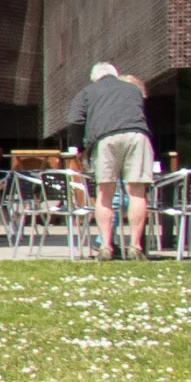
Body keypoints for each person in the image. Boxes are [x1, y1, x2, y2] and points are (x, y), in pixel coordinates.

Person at [65, 60, 155, 258]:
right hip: (137, 135)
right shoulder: (133, 89)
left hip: (105, 138)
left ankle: (105, 246)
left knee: (105, 193)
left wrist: (79, 146)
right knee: (137, 193)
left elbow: (75, 120)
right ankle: (135, 247)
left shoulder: (87, 92)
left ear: (94, 78)